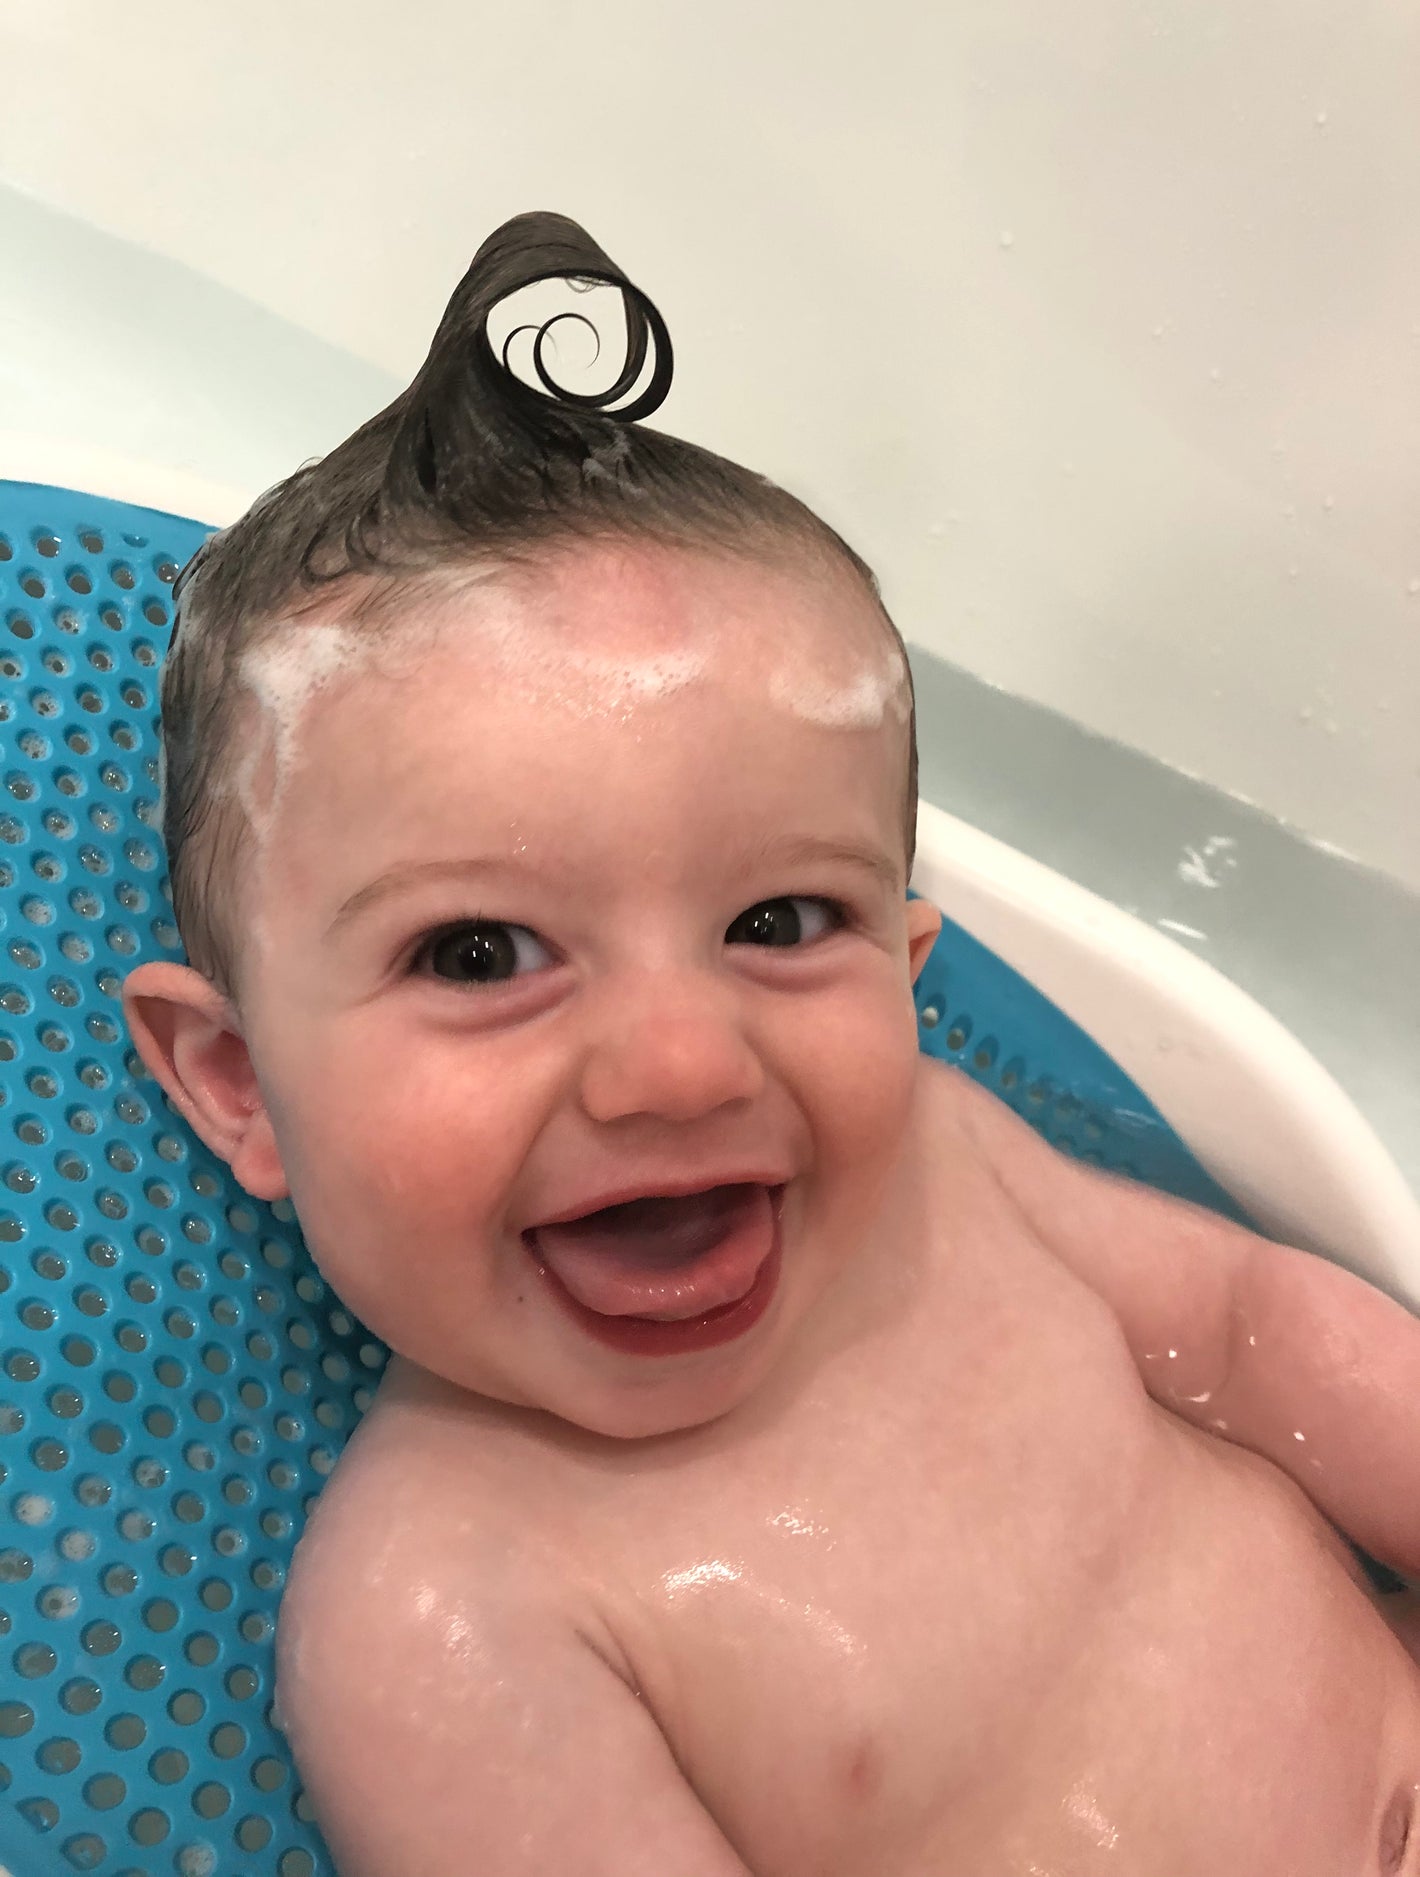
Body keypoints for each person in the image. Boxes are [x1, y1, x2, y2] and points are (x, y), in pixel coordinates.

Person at [123, 213, 1420, 1876]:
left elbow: (1251, 1333)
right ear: (241, 1086)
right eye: (478, 952)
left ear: (906, 962)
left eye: (781, 922)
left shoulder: (943, 1163)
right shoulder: (448, 1612)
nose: (678, 1064)